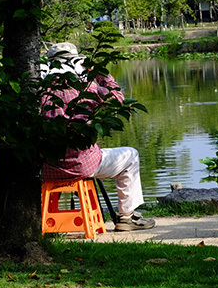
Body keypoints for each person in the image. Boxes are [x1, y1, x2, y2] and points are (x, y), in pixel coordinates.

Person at [41, 42, 156, 231]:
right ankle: (126, 217)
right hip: (83, 164)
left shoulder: (39, 92)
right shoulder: (87, 88)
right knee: (131, 155)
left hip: (47, 167)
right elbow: (117, 98)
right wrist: (100, 74)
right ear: (76, 63)